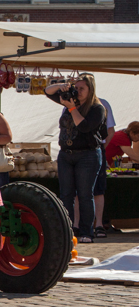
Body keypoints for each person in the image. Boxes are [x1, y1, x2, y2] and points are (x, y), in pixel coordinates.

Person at [45, 74, 107, 243]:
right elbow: (47, 91)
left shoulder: (97, 108)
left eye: (82, 89)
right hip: (66, 154)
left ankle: (87, 232)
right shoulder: (69, 99)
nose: (78, 92)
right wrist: (65, 86)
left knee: (85, 194)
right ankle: (68, 231)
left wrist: (72, 109)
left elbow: (85, 127)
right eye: (77, 88)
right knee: (66, 195)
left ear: (90, 90)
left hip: (87, 155)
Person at [92, 93, 116, 237]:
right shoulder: (69, 103)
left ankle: (99, 224)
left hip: (95, 149)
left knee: (98, 189)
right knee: (77, 191)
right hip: (77, 150)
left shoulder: (103, 104)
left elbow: (110, 130)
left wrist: (101, 148)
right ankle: (79, 225)